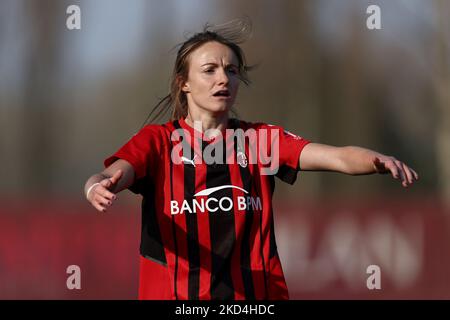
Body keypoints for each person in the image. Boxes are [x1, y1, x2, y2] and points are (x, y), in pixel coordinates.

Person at [83, 22, 419, 300]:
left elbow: (335, 156)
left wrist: (376, 159)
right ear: (183, 82)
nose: (223, 79)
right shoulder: (157, 142)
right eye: (210, 70)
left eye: (231, 71)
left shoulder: (259, 141)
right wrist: (97, 187)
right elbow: (113, 174)